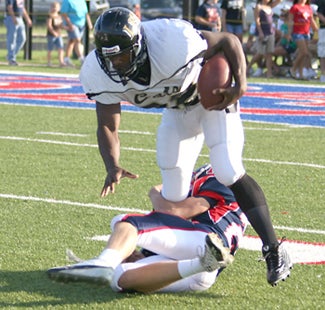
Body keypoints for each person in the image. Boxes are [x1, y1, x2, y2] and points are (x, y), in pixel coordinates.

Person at [79, 7, 292, 286]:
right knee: (174, 189)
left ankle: (274, 249)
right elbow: (107, 124)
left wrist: (239, 85)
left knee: (227, 169)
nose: (117, 64)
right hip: (179, 109)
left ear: (139, 46)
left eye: (122, 55)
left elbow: (229, 40)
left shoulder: (172, 40)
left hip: (213, 98)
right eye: (111, 58)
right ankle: (179, 255)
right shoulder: (97, 70)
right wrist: (112, 164)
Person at [47, 164, 249, 293]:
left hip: (205, 240)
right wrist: (141, 256)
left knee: (126, 222)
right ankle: (202, 264)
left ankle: (104, 262)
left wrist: (154, 192)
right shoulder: (233, 192)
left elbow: (174, 213)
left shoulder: (218, 175)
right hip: (200, 273)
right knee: (119, 278)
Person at [246, 0, 282, 79]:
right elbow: (257, 20)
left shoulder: (270, 6)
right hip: (262, 31)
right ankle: (247, 68)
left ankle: (269, 74)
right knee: (260, 53)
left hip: (270, 32)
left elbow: (279, 1)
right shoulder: (258, 7)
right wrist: (260, 32)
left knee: (269, 53)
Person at [288, 0, 318, 79]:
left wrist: (316, 29)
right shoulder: (295, 7)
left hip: (306, 32)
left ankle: (300, 74)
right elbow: (290, 20)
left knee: (304, 54)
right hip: (298, 32)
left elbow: (311, 20)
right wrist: (289, 33)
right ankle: (293, 68)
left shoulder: (308, 8)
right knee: (303, 52)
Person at [60, 0, 93, 67]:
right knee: (77, 40)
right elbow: (64, 13)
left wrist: (89, 23)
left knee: (71, 41)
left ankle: (66, 59)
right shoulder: (67, 1)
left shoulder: (82, 1)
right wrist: (70, 24)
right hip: (72, 24)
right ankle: (82, 59)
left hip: (81, 24)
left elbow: (86, 13)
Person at [4, 0, 32, 66]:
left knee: (22, 38)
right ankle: (11, 59)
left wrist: (27, 18)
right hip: (11, 18)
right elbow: (9, 7)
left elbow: (22, 8)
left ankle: (10, 55)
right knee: (12, 39)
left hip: (20, 18)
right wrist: (13, 18)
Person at [46, 1, 66, 67]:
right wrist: (53, 32)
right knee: (50, 49)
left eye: (56, 7)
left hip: (59, 35)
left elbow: (60, 25)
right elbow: (49, 26)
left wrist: (66, 28)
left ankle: (61, 62)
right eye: (53, 7)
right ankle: (49, 62)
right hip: (51, 35)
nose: (54, 9)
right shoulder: (50, 16)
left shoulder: (59, 16)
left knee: (61, 48)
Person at [317, 0, 325, 82]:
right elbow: (319, 14)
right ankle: (323, 74)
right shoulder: (323, 2)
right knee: (323, 52)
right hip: (324, 29)